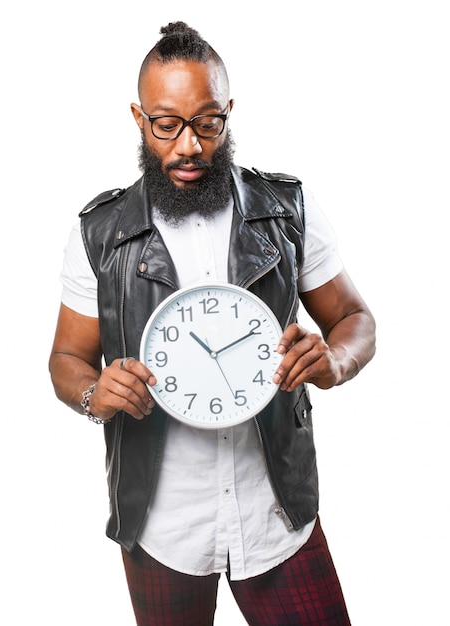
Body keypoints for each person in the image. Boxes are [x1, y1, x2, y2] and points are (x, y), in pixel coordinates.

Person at [49, 21, 376, 626]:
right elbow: (66, 361)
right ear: (139, 118)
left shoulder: (286, 211)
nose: (189, 146)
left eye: (207, 123)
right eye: (166, 124)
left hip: (276, 509)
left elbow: (355, 319)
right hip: (162, 520)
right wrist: (98, 393)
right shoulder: (98, 234)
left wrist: (335, 360)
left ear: (229, 112)